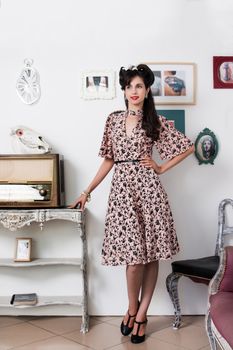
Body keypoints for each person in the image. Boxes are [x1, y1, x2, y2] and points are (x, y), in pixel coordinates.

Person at [69, 64, 194, 344]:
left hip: (149, 191)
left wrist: (160, 168)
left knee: (150, 256)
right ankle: (132, 308)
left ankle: (141, 315)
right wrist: (87, 190)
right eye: (128, 87)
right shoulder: (113, 120)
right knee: (134, 260)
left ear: (147, 89)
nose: (133, 92)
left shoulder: (154, 121)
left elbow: (188, 147)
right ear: (124, 91)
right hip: (123, 194)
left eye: (138, 86)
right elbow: (109, 159)